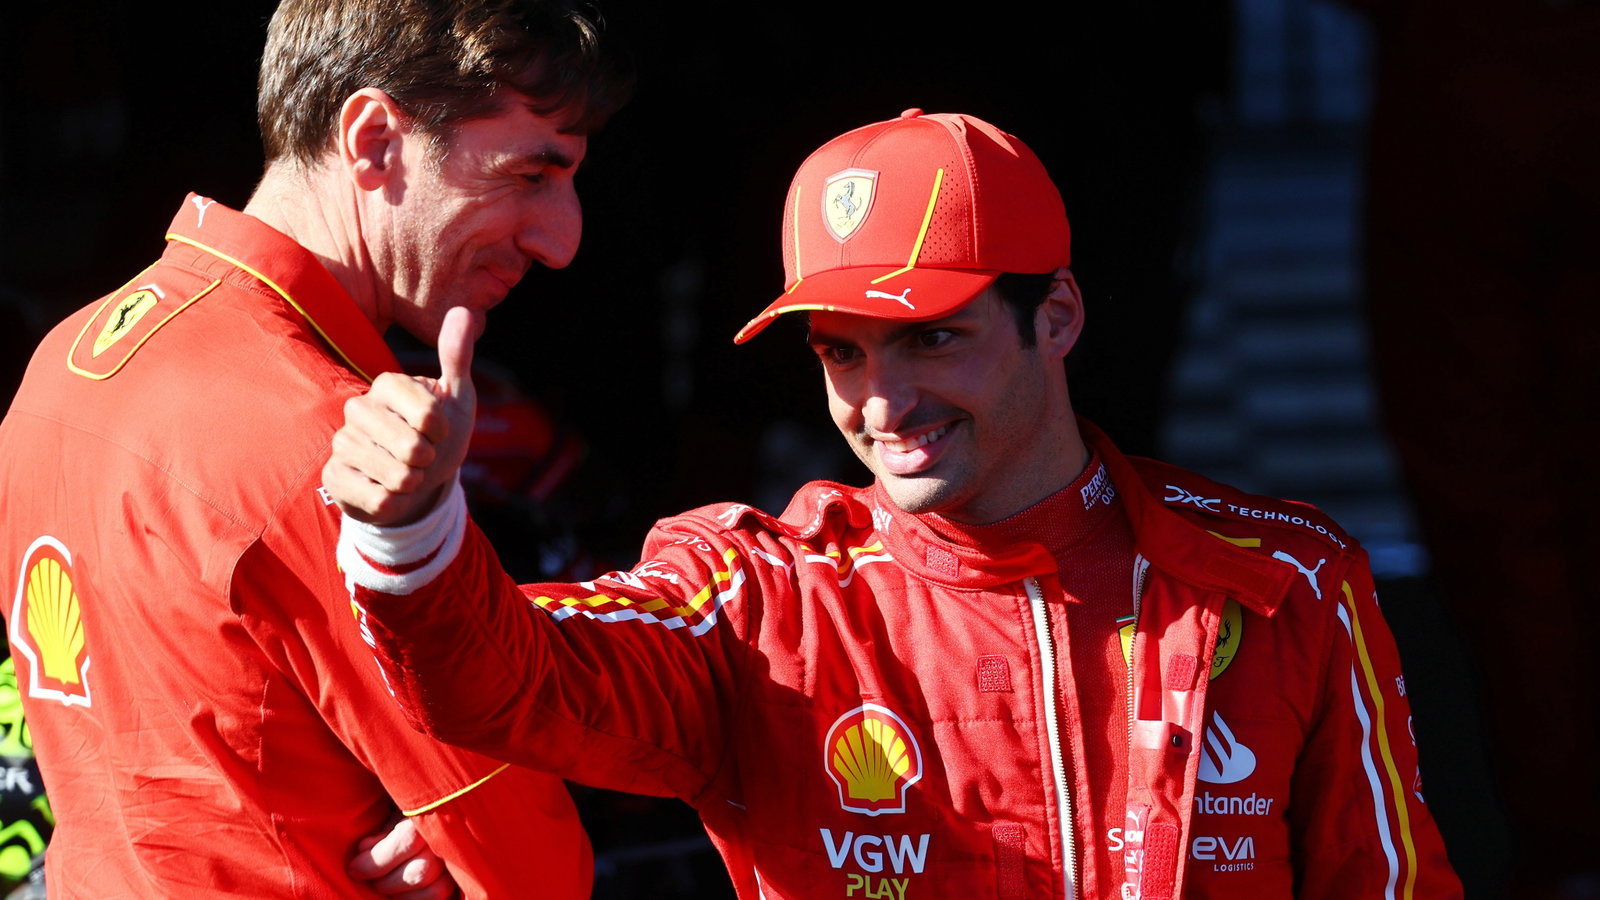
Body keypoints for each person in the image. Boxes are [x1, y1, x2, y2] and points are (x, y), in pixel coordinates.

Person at [324, 110, 1461, 898]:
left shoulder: (1285, 582)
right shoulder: (756, 592)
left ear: (1055, 316)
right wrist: (413, 531)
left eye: (933, 338)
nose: (884, 400)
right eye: (843, 354)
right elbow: (516, 681)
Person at [0, 0, 626, 896]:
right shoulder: (344, 453)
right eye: (533, 173)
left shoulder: (61, 358)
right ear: (373, 141)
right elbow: (533, 870)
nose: (561, 239)